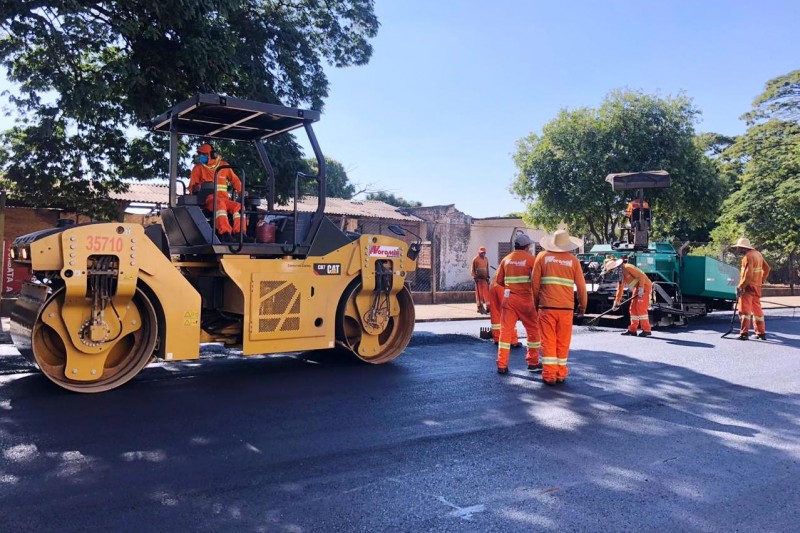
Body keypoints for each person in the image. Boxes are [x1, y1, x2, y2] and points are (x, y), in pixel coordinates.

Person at [532, 229, 587, 385]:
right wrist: (582, 306)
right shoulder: (573, 261)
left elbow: (535, 285)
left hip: (546, 307)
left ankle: (549, 375)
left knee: (548, 341)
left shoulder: (542, 257)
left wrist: (536, 303)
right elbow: (581, 287)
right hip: (566, 309)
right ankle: (560, 374)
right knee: (563, 342)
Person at [494, 233, 541, 374]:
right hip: (527, 300)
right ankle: (533, 362)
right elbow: (537, 282)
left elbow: (499, 281)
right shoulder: (532, 260)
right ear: (527, 246)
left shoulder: (506, 260)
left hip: (510, 300)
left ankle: (502, 364)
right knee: (533, 331)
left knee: (505, 332)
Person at [188, 143, 246, 241]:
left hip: (224, 198)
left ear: (212, 155)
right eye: (200, 155)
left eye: (204, 155)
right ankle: (226, 234)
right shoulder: (198, 168)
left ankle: (240, 234)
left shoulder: (224, 166)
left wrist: (241, 191)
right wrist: (195, 188)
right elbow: (191, 187)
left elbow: (235, 180)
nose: (202, 157)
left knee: (239, 206)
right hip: (209, 200)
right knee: (219, 204)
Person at [732, 237, 771, 340]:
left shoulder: (748, 256)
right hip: (756, 287)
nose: (738, 250)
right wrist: (761, 280)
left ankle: (744, 334)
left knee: (744, 311)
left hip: (748, 288)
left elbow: (748, 276)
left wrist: (740, 287)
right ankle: (761, 333)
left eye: (739, 248)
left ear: (743, 248)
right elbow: (767, 269)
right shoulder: (758, 254)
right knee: (757, 311)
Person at [603, 256, 653, 337]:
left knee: (640, 307)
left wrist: (641, 288)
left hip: (645, 286)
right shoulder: (621, 274)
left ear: (617, 267)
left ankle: (647, 330)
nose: (613, 272)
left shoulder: (628, 267)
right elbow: (620, 288)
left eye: (612, 270)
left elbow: (642, 276)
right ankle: (632, 330)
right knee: (632, 308)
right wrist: (616, 302)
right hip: (637, 288)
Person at [488, 276, 520, 347]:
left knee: (495, 311)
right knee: (509, 312)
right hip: (503, 285)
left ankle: (497, 338)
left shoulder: (502, 267)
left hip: (493, 285)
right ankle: (512, 340)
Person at [471, 246, 490, 314]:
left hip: (484, 279)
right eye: (481, 253)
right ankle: (480, 307)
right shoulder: (475, 259)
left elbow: (487, 268)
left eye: (484, 253)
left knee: (486, 293)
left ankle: (489, 307)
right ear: (479, 252)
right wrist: (474, 277)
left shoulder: (486, 259)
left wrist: (488, 276)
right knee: (479, 294)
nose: (483, 254)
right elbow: (472, 269)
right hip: (478, 279)